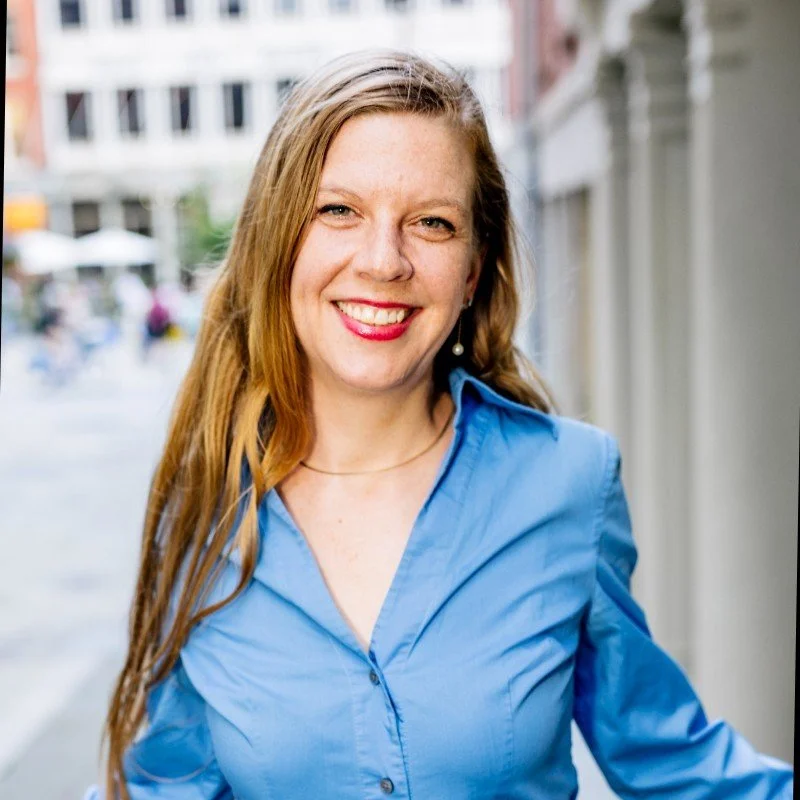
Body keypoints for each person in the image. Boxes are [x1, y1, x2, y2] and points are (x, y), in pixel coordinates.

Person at [85, 52, 793, 800]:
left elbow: (678, 766)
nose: (384, 260)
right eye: (338, 211)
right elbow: (168, 786)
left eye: (432, 222)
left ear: (472, 271)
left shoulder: (567, 484)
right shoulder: (202, 511)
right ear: (277, 244)